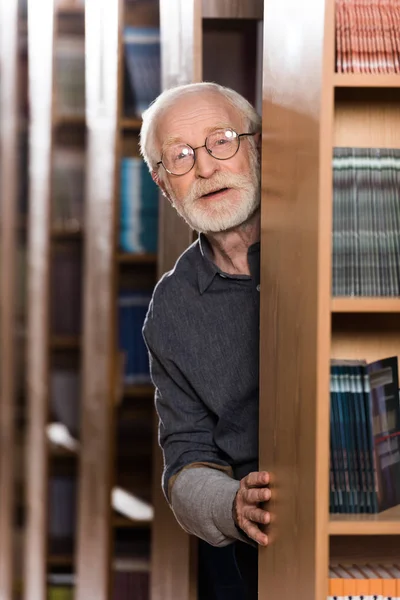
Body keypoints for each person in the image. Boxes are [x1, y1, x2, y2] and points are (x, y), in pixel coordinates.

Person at [140, 82, 271, 600]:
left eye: (222, 141)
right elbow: (187, 458)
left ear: (258, 146)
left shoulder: (340, 242)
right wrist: (231, 504)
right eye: (180, 156)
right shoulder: (170, 310)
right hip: (268, 539)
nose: (206, 168)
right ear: (163, 184)